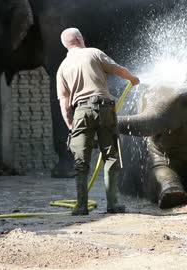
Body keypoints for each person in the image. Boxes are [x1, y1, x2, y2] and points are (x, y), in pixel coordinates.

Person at [57, 28, 140, 215]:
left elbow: (64, 103)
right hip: (104, 109)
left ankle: (81, 207)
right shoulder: (93, 53)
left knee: (80, 162)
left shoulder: (62, 67)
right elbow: (118, 70)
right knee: (110, 156)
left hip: (80, 112)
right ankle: (113, 204)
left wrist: (71, 125)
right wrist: (133, 79)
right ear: (79, 39)